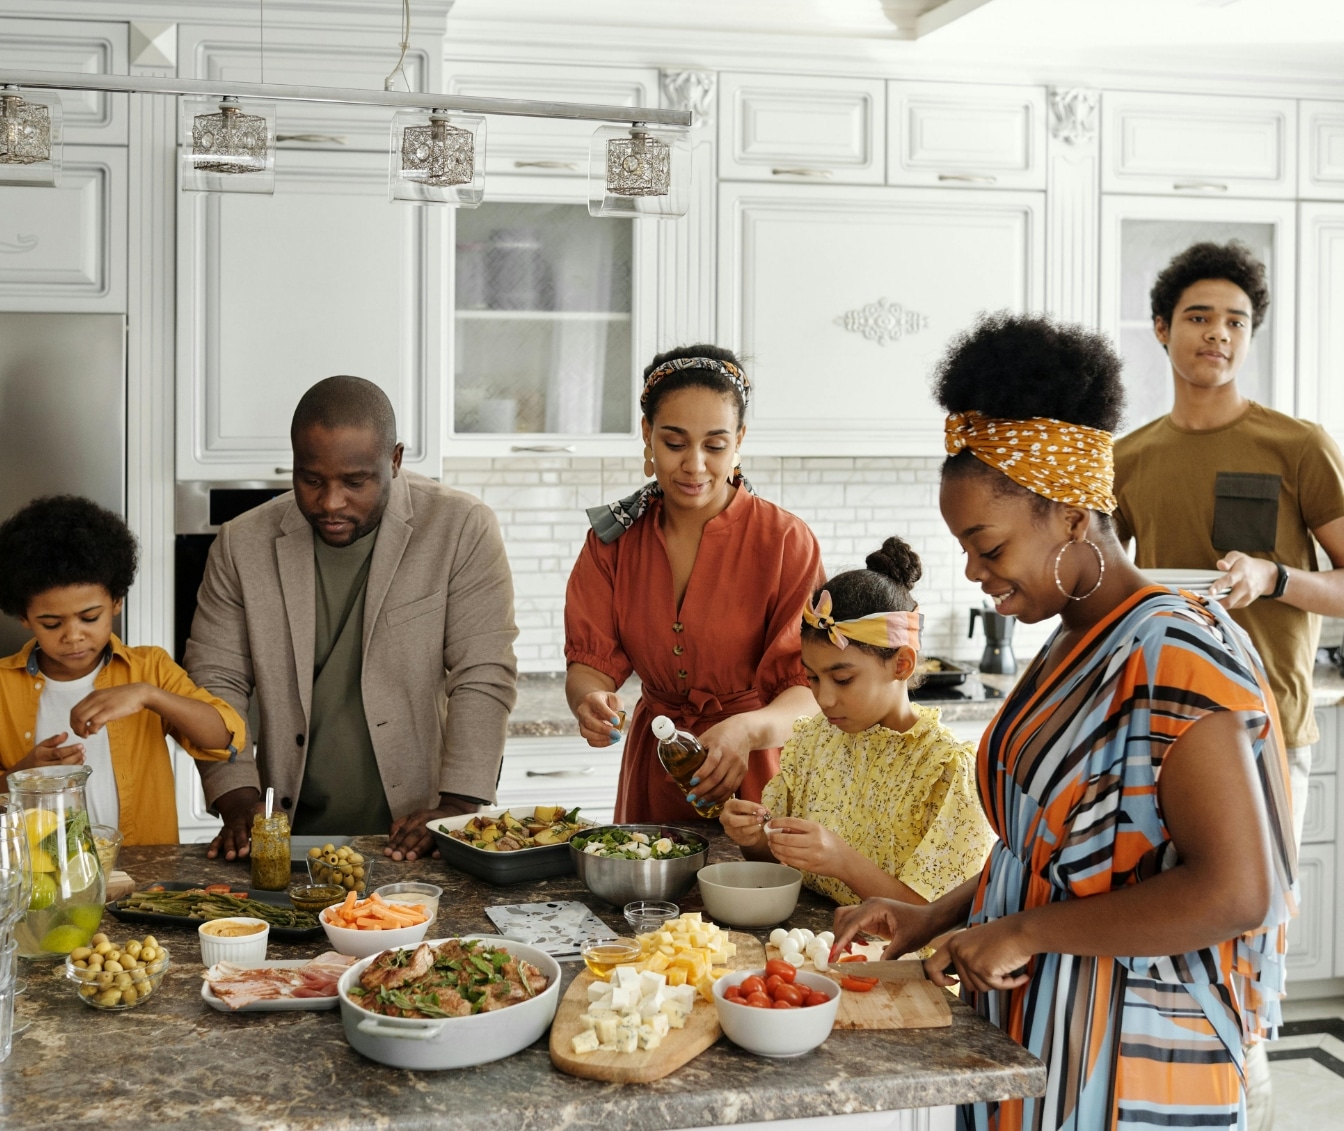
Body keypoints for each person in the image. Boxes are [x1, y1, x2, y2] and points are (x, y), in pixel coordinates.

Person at [831, 313, 1297, 1131]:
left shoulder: (1174, 653)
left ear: (1075, 516)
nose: (974, 573)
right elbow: (1062, 854)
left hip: (1131, 1056)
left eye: (988, 545)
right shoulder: (1072, 641)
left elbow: (1238, 890)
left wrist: (1026, 932)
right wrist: (934, 914)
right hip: (1041, 1030)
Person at [186, 375, 518, 862]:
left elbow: (483, 673)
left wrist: (458, 807)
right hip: (290, 835)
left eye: (355, 482)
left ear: (396, 461)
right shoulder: (242, 544)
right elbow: (215, 680)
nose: (330, 503)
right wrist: (236, 796)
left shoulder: (460, 528)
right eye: (311, 479)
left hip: (417, 832)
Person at [1114, 240, 1344, 850]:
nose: (1218, 333)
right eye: (1198, 317)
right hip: (1161, 722)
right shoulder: (1127, 459)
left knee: (1258, 926)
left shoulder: (1299, 447)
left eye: (1235, 321)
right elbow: (1104, 586)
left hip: (1266, 722)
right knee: (1163, 928)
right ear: (1161, 329)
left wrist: (1275, 577)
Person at [564, 345, 824, 823]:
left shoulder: (786, 542)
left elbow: (809, 690)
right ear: (647, 435)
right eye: (675, 443)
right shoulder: (612, 543)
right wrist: (590, 702)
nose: (695, 465)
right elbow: (590, 664)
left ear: (740, 439)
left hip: (760, 773)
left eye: (715, 445)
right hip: (655, 768)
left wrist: (745, 732)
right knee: (648, 895)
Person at [719, 536, 994, 913]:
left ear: (902, 664)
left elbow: (938, 918)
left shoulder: (945, 770)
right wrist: (751, 838)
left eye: (843, 679)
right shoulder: (814, 740)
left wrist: (841, 860)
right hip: (816, 946)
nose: (824, 699)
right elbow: (776, 860)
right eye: (813, 678)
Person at [0, 496, 245, 845]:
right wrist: (21, 777)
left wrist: (149, 695)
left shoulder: (149, 668)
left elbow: (224, 738)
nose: (73, 636)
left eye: (89, 617)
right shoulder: (2, 687)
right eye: (52, 623)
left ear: (116, 602)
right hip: (40, 879)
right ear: (24, 618)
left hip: (144, 877)